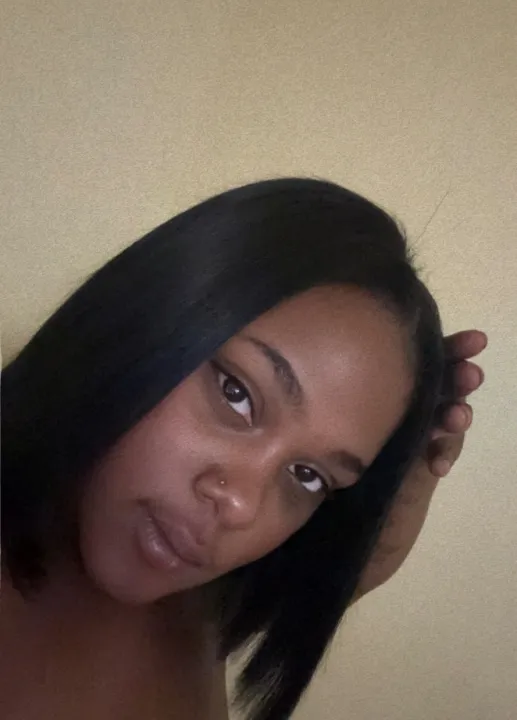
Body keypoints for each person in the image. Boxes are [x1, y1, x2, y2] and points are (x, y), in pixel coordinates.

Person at [0, 178, 486, 720]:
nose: (241, 506)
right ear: (146, 319)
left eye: (308, 476)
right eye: (237, 395)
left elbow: (339, 570)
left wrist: (408, 477)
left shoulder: (197, 604)